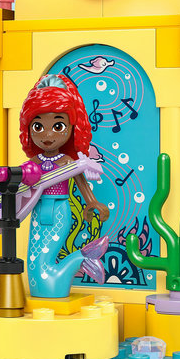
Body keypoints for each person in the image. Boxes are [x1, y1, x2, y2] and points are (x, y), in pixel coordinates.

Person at [18, 74, 110, 299]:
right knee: (35, 258)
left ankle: (81, 259)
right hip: (38, 210)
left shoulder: (68, 162)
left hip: (60, 210)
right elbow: (21, 186)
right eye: (38, 126)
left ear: (71, 128)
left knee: (46, 253)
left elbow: (81, 181)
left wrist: (92, 202)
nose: (48, 135)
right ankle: (49, 285)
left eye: (57, 126)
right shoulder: (33, 163)